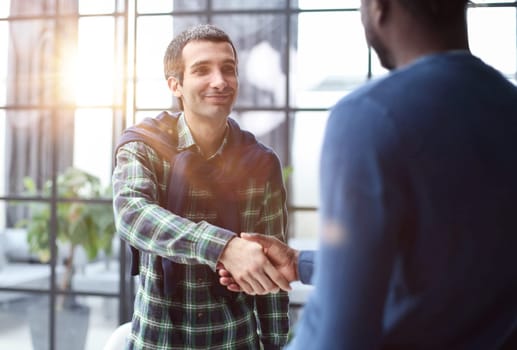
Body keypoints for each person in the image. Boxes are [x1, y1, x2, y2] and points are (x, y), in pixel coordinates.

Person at [219, 0, 517, 349]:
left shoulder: (370, 115)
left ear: (379, 7)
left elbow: (338, 334)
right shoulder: (507, 105)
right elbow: (450, 260)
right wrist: (301, 264)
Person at [112, 24, 290, 350]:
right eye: (202, 70)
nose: (220, 81)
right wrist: (222, 247)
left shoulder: (262, 164)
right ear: (175, 85)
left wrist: (276, 344)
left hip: (236, 341)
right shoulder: (143, 146)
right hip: (157, 340)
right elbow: (132, 216)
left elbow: (273, 275)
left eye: (228, 69)